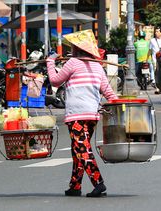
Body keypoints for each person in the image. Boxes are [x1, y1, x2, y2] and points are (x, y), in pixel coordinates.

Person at [46, 30, 118, 197]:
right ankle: (75, 186)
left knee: (82, 148)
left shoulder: (72, 63)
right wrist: (119, 103)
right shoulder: (97, 66)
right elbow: (109, 92)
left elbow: (55, 80)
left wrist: (50, 62)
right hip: (92, 115)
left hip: (76, 115)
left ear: (77, 49)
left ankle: (98, 182)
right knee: (77, 148)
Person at [148, 26, 161, 94]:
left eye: (157, 31)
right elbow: (150, 50)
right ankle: (157, 88)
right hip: (155, 60)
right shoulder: (152, 40)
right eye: (155, 31)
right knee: (156, 73)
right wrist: (147, 59)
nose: (156, 33)